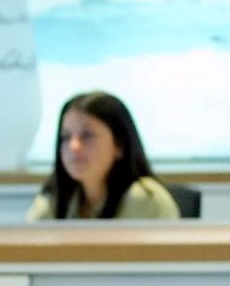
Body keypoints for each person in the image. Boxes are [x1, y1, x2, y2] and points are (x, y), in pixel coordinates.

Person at [28, 90, 183, 221]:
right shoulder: (53, 199)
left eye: (87, 135)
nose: (73, 146)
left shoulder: (146, 200)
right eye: (66, 137)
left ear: (119, 145)